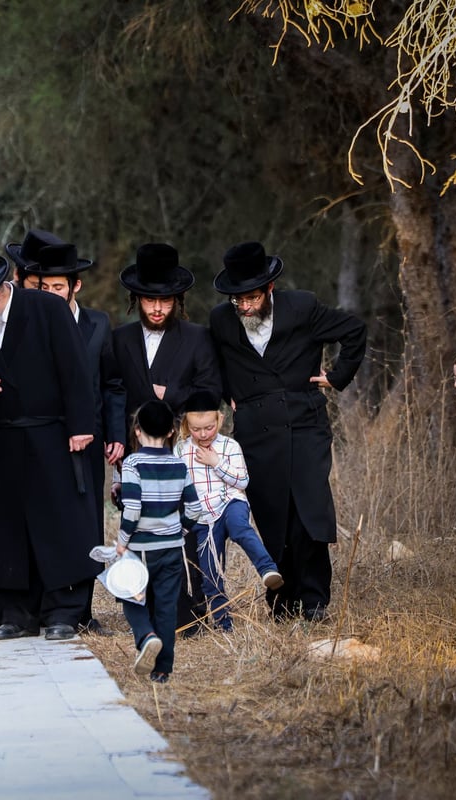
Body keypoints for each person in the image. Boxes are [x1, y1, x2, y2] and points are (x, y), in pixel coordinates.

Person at [0, 245, 98, 641]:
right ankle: (16, 613)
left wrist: (80, 424)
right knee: (5, 530)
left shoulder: (47, 309)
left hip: (52, 436)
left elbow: (76, 369)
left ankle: (64, 611)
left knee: (58, 525)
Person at [208, 241, 366, 622]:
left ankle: (313, 603)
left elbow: (354, 330)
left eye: (251, 298)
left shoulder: (302, 307)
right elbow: (213, 363)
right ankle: (282, 603)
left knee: (308, 511)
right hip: (257, 432)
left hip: (305, 422)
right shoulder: (221, 320)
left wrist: (337, 376)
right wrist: (228, 393)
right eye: (237, 300)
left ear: (269, 289)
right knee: (272, 512)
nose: (244, 306)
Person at [8, 229, 126, 634]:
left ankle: (80, 609)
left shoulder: (97, 323)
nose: (50, 293)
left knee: (84, 523)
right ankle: (43, 607)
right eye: (42, 286)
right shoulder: (24, 324)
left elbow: (111, 383)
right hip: (39, 436)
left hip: (86, 439)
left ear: (75, 285)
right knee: (42, 520)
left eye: (58, 286)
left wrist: (115, 433)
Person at [112, 243, 220, 635]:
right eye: (149, 300)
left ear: (178, 299)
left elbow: (210, 389)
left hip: (181, 448)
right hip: (135, 448)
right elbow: (112, 391)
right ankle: (145, 611)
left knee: (184, 529)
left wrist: (168, 398)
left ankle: (188, 614)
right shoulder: (119, 338)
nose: (157, 308)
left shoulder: (197, 337)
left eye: (165, 300)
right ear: (135, 299)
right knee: (139, 527)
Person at [175, 390, 283, 632]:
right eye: (196, 429)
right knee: (210, 573)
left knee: (240, 528)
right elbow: (178, 486)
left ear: (219, 420)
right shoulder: (181, 450)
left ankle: (267, 569)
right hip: (203, 518)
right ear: (187, 425)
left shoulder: (229, 446)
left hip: (230, 503)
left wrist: (216, 463)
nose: (203, 434)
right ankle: (224, 624)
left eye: (208, 428)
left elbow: (242, 481)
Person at [116, 400, 202, 684]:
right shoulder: (179, 465)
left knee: (132, 598)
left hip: (140, 549)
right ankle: (162, 670)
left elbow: (131, 509)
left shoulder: (132, 463)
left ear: (137, 431)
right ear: (170, 432)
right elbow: (194, 509)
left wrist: (122, 542)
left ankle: (146, 636)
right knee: (166, 607)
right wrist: (180, 529)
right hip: (172, 548)